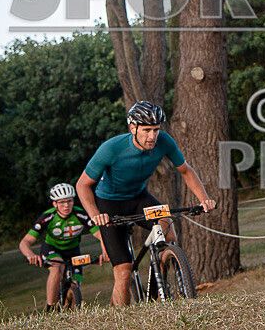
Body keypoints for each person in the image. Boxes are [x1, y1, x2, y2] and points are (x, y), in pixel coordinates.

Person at [75, 101, 217, 305]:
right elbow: (82, 185)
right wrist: (95, 214)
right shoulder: (111, 148)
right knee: (124, 271)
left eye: (156, 130)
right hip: (109, 204)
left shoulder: (164, 142)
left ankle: (161, 285)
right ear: (133, 128)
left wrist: (203, 200)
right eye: (147, 130)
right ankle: (121, 321)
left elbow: (185, 170)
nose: (152, 136)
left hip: (138, 198)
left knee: (168, 230)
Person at [19, 183, 108, 312]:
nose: (66, 206)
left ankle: (72, 313)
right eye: (62, 202)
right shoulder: (47, 217)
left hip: (73, 250)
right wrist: (30, 255)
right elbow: (25, 242)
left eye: (69, 201)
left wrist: (105, 252)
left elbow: (100, 234)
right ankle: (50, 308)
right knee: (57, 268)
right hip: (52, 248)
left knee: (75, 284)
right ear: (54, 204)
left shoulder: (80, 214)